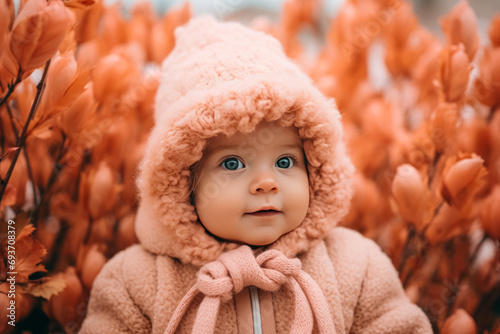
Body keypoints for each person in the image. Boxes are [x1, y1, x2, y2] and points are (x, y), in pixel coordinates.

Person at [80, 16, 432, 334]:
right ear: (182, 183)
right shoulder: (135, 281)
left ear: (315, 169)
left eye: (284, 162)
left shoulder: (356, 266)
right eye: (232, 164)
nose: (267, 183)